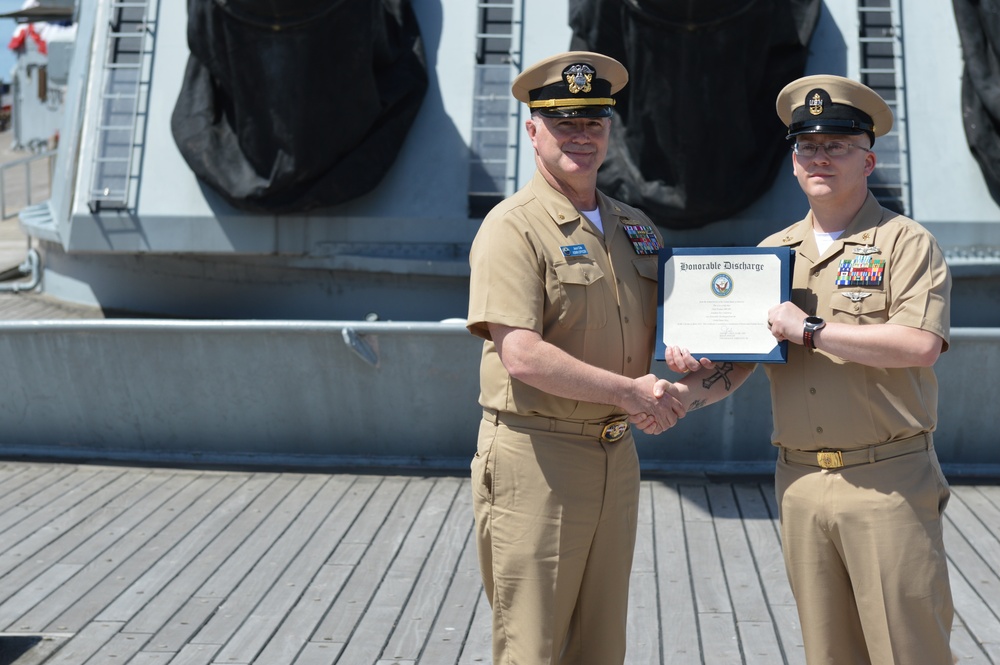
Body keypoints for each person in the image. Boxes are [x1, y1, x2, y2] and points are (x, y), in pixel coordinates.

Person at [665, 75, 954, 664]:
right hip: (798, 483)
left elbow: (921, 345)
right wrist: (677, 389)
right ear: (794, 163)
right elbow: (740, 362)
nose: (820, 158)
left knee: (909, 650)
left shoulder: (905, 243)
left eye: (837, 146)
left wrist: (813, 330)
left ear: (867, 160)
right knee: (827, 653)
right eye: (808, 147)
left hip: (888, 482)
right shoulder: (773, 254)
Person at [466, 51, 685, 664]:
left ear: (609, 130)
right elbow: (523, 355)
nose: (581, 138)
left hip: (615, 454)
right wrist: (629, 393)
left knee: (599, 645)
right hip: (537, 460)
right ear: (532, 130)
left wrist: (696, 352)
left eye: (593, 123)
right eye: (564, 123)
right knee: (533, 644)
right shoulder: (513, 227)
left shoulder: (634, 227)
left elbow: (673, 323)